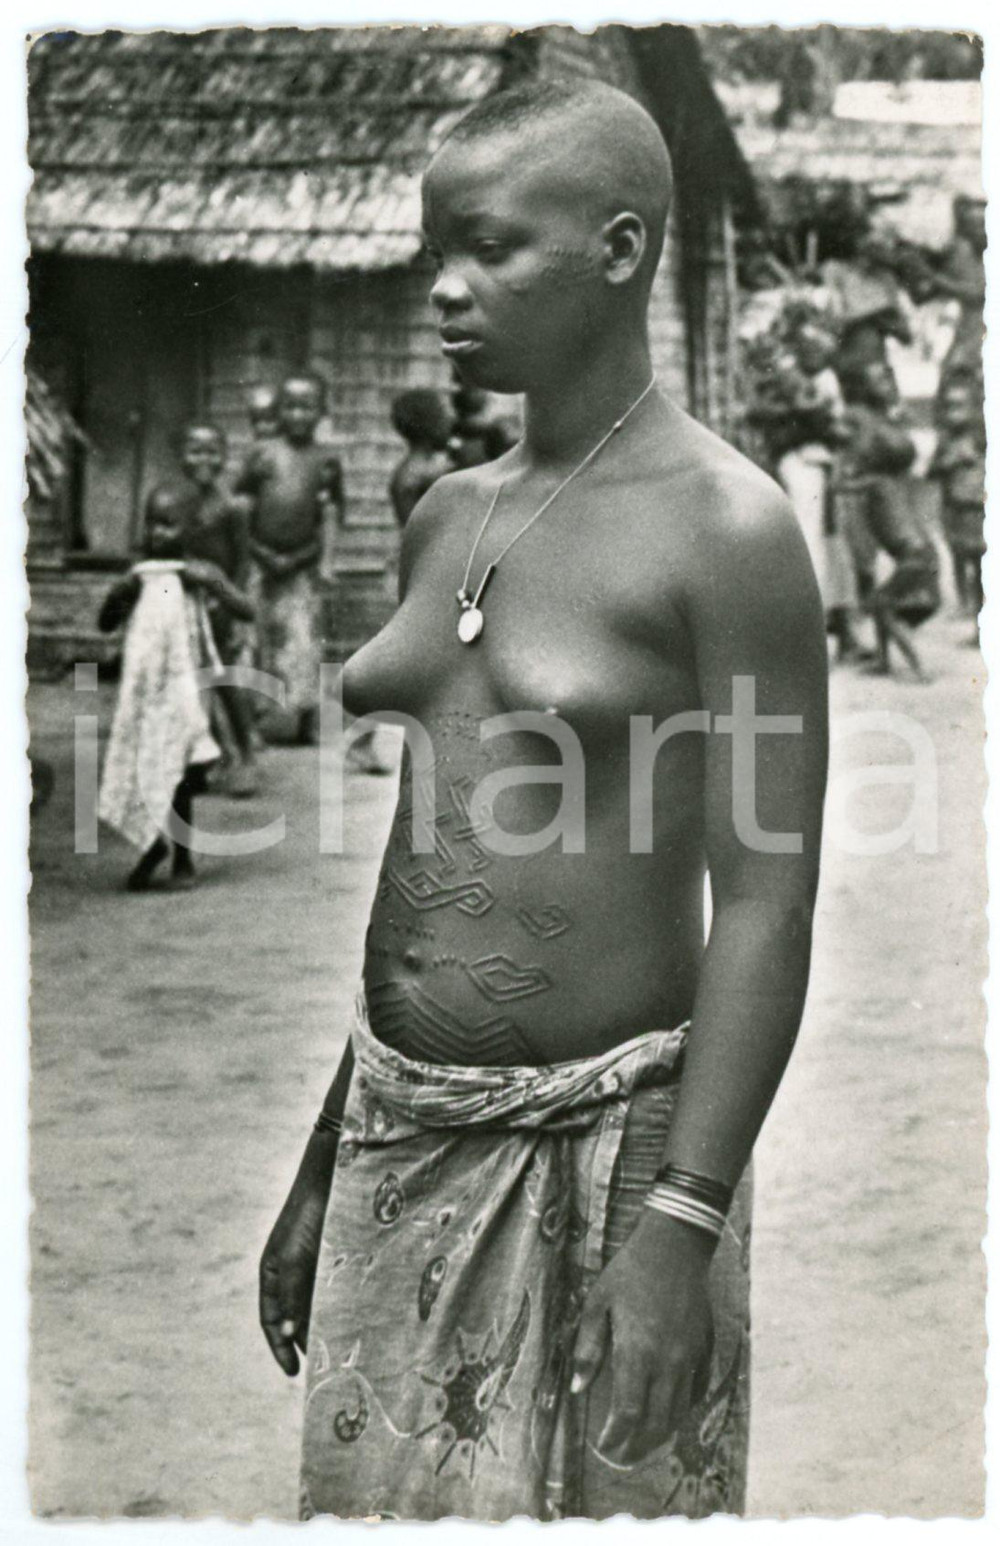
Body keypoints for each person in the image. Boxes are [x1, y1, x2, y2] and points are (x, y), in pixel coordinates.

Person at [260, 79, 827, 1523]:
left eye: (493, 246)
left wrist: (679, 1227)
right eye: (435, 249)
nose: (446, 287)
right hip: (401, 1122)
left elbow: (765, 900)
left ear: (621, 249)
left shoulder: (728, 529)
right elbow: (428, 847)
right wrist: (331, 1154)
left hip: (612, 1153)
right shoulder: (449, 510)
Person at [97, 493, 255, 890]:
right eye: (152, 523)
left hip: (186, 691)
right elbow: (106, 624)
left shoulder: (199, 572)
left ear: (189, 531)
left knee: (181, 773)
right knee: (148, 767)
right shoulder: (140, 575)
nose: (156, 533)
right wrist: (119, 594)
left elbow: (247, 609)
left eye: (168, 524)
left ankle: (180, 857)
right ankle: (152, 846)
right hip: (148, 694)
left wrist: (213, 584)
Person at [149, 421, 260, 798]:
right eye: (196, 451)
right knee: (186, 679)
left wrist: (231, 598)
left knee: (225, 678)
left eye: (213, 451)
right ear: (181, 456)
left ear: (225, 456)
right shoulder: (169, 501)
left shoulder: (232, 506)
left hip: (220, 600)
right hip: (180, 601)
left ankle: (245, 754)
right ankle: (206, 756)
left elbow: (243, 562)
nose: (204, 459)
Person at [235, 373, 344, 745]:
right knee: (252, 641)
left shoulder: (325, 460)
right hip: (259, 564)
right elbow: (241, 507)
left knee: (305, 645)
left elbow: (330, 515)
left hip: (301, 567)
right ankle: (248, 725)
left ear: (322, 411)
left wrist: (318, 560)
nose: (298, 415)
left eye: (307, 407)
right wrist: (256, 553)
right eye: (290, 406)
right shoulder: (261, 455)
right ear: (278, 410)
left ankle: (309, 720)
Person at [839, 362, 937, 680]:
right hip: (921, 554)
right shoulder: (892, 480)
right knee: (881, 602)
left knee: (882, 606)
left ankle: (919, 669)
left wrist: (843, 471)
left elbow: (840, 484)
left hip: (914, 556)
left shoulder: (876, 481)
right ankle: (884, 662)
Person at [774, 319, 859, 661]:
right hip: (804, 462)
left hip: (822, 464)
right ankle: (816, 630)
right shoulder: (792, 380)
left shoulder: (823, 380)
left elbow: (834, 425)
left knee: (832, 545)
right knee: (812, 544)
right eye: (809, 349)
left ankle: (837, 628)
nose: (817, 355)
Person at [929, 373, 985, 623]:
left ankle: (979, 607)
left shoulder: (982, 435)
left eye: (960, 406)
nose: (954, 412)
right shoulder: (946, 439)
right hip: (953, 505)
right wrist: (948, 461)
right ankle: (964, 601)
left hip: (976, 505)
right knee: (958, 553)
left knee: (980, 556)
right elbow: (930, 471)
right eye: (949, 406)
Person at [389, 389, 454, 527]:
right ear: (430, 424)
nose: (450, 422)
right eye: (443, 417)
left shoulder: (418, 471)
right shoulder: (413, 478)